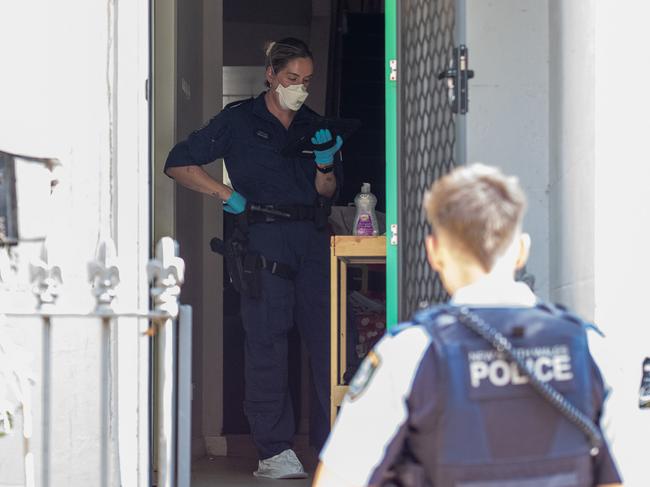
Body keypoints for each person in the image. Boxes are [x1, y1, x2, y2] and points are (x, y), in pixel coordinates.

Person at [314, 164, 622, 487]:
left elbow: (337, 479)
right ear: (521, 250)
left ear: (433, 252)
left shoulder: (409, 353)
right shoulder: (591, 348)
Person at [164, 38, 343, 479]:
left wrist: (325, 164)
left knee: (328, 343)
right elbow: (178, 164)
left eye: (306, 81)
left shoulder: (314, 125)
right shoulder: (239, 121)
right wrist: (227, 195)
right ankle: (274, 452)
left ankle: (333, 446)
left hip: (313, 238)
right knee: (267, 341)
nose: (299, 89)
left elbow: (329, 193)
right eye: (290, 79)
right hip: (262, 236)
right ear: (270, 73)